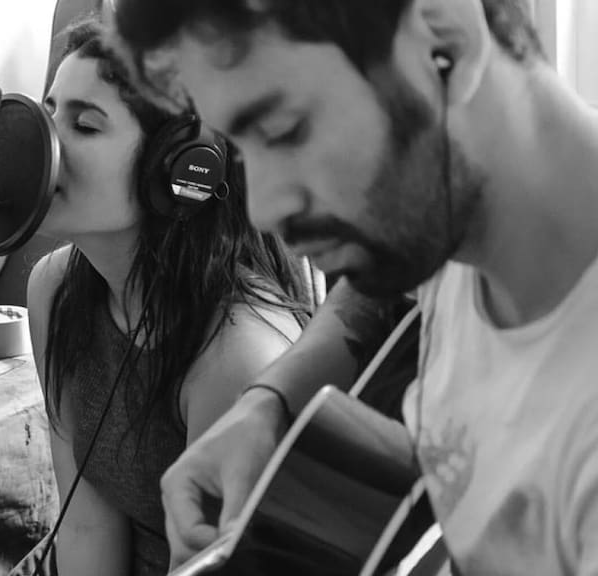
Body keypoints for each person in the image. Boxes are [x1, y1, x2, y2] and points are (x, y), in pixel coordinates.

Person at [114, 0, 598, 573]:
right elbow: (376, 287)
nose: (263, 209)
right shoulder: (447, 215)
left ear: (445, 39)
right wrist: (269, 405)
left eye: (284, 131)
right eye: (241, 152)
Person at [21, 15, 322, 576]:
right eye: (49, 111)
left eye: (83, 126)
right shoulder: (54, 287)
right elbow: (85, 526)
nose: (45, 143)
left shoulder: (236, 357)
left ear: (179, 172)